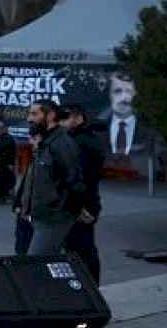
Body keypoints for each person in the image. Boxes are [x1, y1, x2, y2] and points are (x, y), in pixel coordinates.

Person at [14, 100, 84, 256]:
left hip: (53, 218)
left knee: (36, 263)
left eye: (34, 114)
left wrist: (63, 211)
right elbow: (36, 179)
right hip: (40, 216)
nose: (29, 119)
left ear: (51, 115)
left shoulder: (62, 143)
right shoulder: (45, 142)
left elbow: (75, 182)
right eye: (29, 114)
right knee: (48, 263)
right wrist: (23, 205)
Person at [63, 104, 104, 283]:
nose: (61, 122)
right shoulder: (77, 139)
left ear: (78, 118)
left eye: (65, 118)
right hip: (81, 203)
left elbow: (83, 178)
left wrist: (81, 206)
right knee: (76, 248)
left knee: (83, 249)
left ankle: (90, 288)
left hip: (82, 204)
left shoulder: (82, 141)